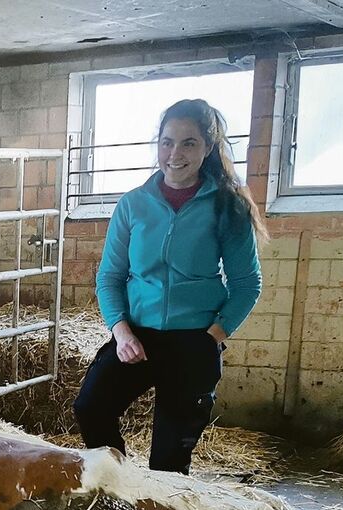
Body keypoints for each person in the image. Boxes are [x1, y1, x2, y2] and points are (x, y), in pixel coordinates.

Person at [76, 98, 267, 474]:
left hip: (194, 340)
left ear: (208, 148)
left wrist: (213, 336)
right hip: (137, 336)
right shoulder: (133, 205)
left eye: (188, 143)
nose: (175, 154)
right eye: (167, 142)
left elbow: (247, 283)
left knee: (169, 459)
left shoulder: (227, 208)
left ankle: (161, 505)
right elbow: (110, 277)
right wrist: (121, 332)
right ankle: (121, 485)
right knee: (90, 407)